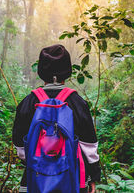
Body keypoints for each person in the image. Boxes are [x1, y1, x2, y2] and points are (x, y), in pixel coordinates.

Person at [12, 44, 101, 193]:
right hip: (73, 179)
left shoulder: (28, 102)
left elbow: (20, 147)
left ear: (41, 71)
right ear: (67, 71)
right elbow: (89, 145)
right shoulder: (77, 102)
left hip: (35, 179)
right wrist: (93, 176)